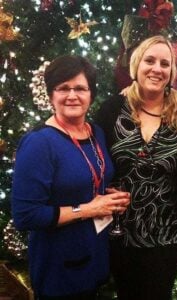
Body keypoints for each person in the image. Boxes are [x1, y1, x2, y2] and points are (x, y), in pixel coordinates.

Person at [11, 55, 130, 300]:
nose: (72, 95)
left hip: (94, 256)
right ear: (51, 95)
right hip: (60, 269)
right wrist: (88, 209)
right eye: (63, 88)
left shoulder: (94, 131)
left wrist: (109, 196)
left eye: (80, 88)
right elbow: (26, 215)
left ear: (91, 94)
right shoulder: (39, 143)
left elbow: (88, 176)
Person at [95, 35, 177, 300]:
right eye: (150, 60)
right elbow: (92, 158)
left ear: (172, 72)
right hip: (120, 231)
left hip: (168, 233)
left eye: (165, 63)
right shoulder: (113, 109)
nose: (157, 68)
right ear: (136, 65)